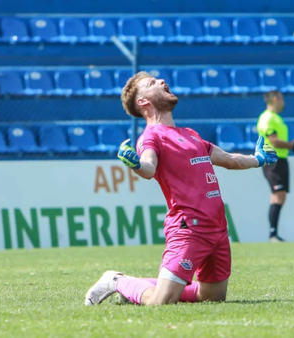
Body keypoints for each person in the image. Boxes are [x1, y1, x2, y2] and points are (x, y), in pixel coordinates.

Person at [84, 71, 278, 307]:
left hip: (217, 228)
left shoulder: (190, 134)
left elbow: (229, 159)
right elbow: (148, 168)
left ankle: (147, 285)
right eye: (152, 83)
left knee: (212, 297)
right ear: (142, 102)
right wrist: (135, 164)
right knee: (160, 302)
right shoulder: (151, 137)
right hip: (189, 227)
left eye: (159, 79)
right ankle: (116, 281)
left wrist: (258, 159)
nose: (162, 81)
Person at [257, 90, 294, 243]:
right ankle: (273, 235)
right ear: (275, 99)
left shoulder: (276, 118)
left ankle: (274, 234)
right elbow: (274, 141)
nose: (284, 103)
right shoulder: (268, 118)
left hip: (281, 159)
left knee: (280, 195)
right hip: (273, 160)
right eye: (282, 99)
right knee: (278, 194)